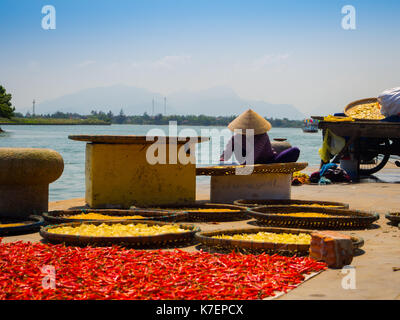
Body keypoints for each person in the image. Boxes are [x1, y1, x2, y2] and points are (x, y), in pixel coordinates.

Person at [220, 109, 300, 165]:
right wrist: (222, 160)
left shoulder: (262, 135)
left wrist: (243, 166)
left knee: (295, 150)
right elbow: (226, 153)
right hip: (251, 161)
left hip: (270, 161)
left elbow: (255, 153)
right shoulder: (237, 137)